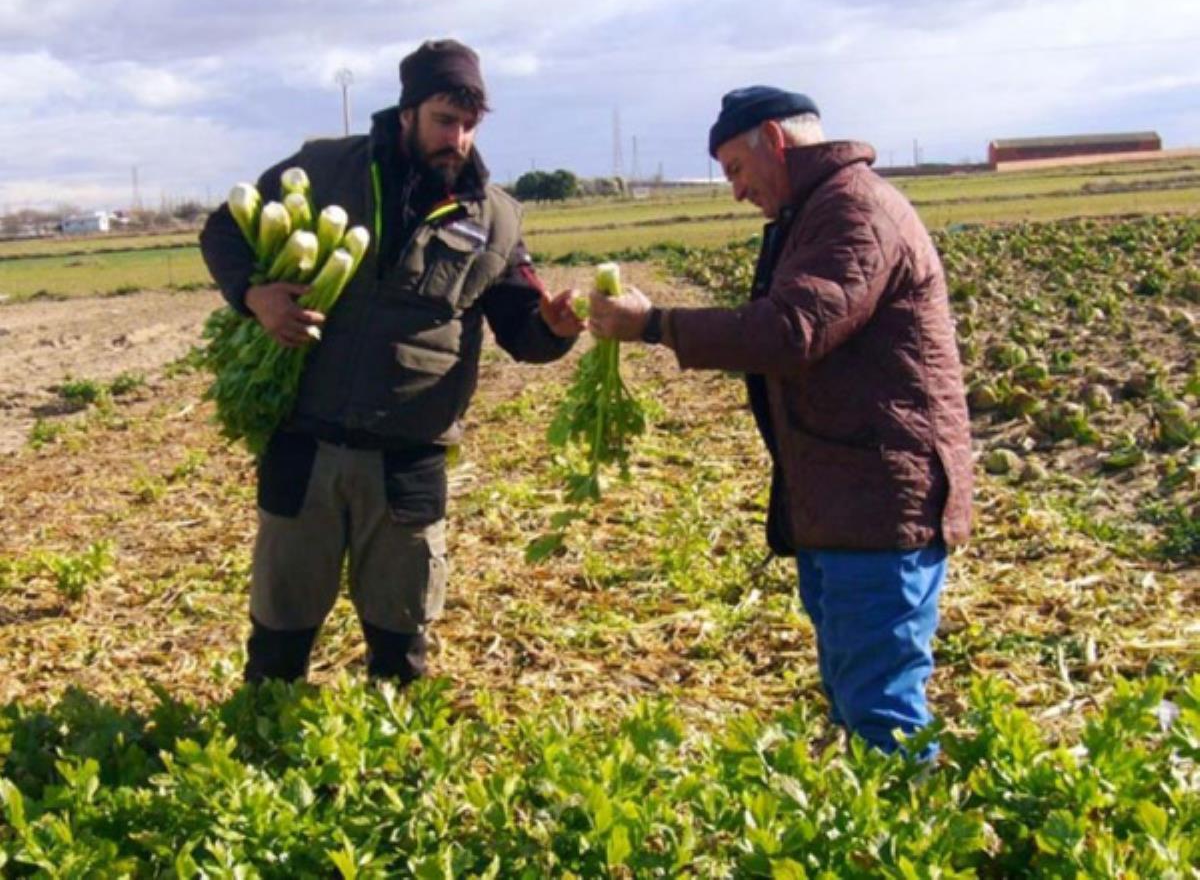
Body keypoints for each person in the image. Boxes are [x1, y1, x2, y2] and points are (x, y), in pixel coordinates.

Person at [589, 86, 973, 755]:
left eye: (735, 167)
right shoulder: (815, 211)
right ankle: (872, 836)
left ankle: (912, 846)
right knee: (855, 692)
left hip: (881, 505)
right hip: (841, 498)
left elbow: (792, 330)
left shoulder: (855, 211)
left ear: (773, 138)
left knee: (881, 707)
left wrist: (654, 325)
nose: (735, 190)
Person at [200, 39, 583, 685]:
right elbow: (223, 231)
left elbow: (522, 329)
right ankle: (265, 735)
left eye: (469, 124)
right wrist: (254, 296)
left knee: (401, 633)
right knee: (281, 623)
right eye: (443, 120)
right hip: (306, 435)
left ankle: (391, 757)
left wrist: (554, 325)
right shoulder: (326, 169)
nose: (457, 139)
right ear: (406, 112)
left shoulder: (495, 217)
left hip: (410, 451)